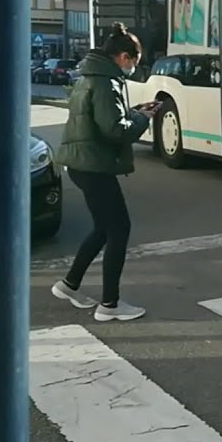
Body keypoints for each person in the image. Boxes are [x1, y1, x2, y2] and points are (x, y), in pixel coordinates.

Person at [50, 22, 160, 321]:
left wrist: (135, 111)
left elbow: (104, 118)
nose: (134, 68)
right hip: (93, 165)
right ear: (124, 57)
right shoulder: (105, 82)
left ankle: (69, 284)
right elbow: (114, 130)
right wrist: (142, 120)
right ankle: (110, 304)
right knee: (119, 229)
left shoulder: (92, 76)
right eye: (134, 61)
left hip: (82, 162)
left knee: (103, 228)